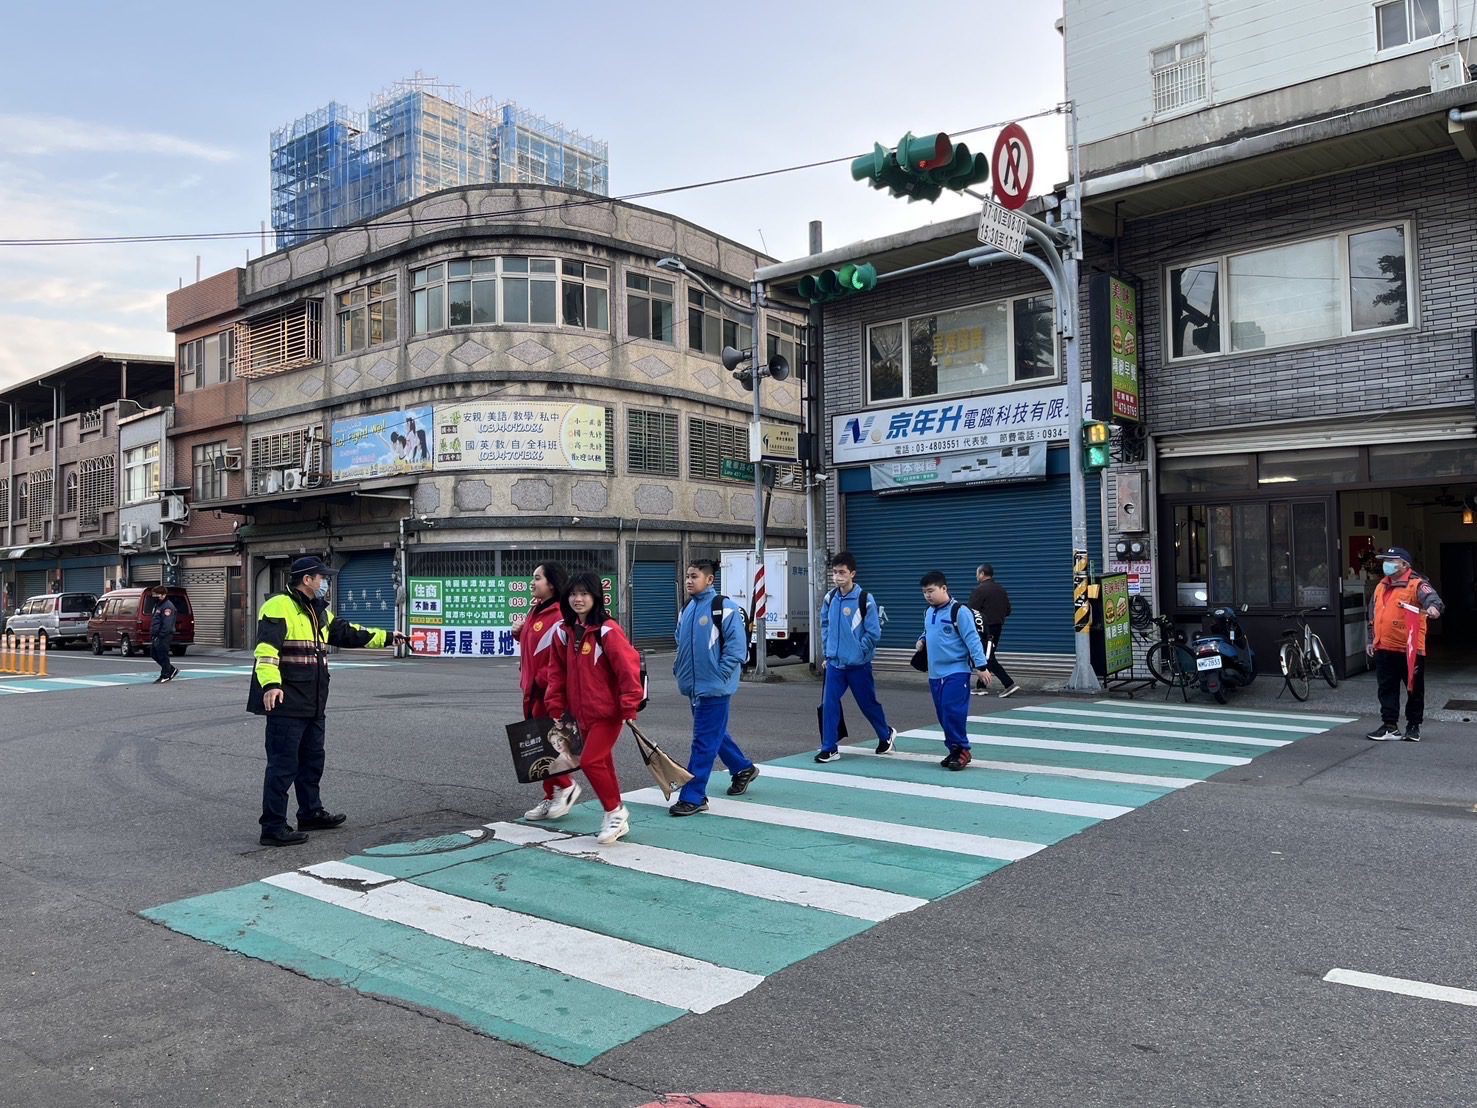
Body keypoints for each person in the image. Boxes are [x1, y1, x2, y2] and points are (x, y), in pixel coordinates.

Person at [247, 555, 406, 847]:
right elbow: (266, 651)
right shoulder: (278, 606)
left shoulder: (317, 610)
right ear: (307, 580)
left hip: (314, 702)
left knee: (312, 762)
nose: (325, 583)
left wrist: (387, 637)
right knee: (283, 766)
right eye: (322, 578)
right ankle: (272, 827)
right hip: (287, 702)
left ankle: (310, 813)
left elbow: (348, 633)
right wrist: (270, 685)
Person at [543, 572, 644, 845]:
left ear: (596, 597)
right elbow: (556, 673)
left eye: (584, 593)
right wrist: (555, 705)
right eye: (573, 594)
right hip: (579, 715)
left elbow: (628, 668)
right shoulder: (564, 632)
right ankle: (615, 811)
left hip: (608, 713)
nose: (578, 599)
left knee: (590, 761)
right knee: (602, 762)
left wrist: (629, 705)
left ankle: (615, 812)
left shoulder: (607, 630)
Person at [671, 559, 758, 816]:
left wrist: (720, 675)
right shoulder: (687, 608)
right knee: (712, 734)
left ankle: (694, 796)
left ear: (709, 580)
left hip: (714, 687)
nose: (689, 581)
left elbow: (737, 649)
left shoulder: (725, 608)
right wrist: (679, 668)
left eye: (694, 576)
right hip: (694, 686)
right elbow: (680, 642)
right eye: (688, 576)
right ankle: (742, 768)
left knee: (703, 741)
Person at [512, 562, 582, 821]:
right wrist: (519, 633)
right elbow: (534, 645)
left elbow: (562, 654)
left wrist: (545, 682)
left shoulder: (560, 614)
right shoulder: (536, 610)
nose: (532, 582)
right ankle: (550, 794)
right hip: (531, 689)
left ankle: (566, 785)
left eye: (537, 578)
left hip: (547, 690)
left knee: (549, 742)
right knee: (538, 745)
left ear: (551, 583)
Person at [816, 551, 897, 762]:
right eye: (835, 572)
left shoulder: (864, 599)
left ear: (852, 573)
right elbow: (825, 626)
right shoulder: (830, 598)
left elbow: (873, 632)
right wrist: (828, 653)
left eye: (842, 572)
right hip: (835, 664)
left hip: (858, 664)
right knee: (829, 703)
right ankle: (829, 747)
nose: (837, 577)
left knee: (867, 704)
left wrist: (860, 652)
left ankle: (885, 734)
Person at [1365, 546, 1443, 742]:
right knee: (1386, 689)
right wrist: (1370, 640)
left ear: (1404, 565)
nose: (1386, 564)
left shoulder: (1417, 584)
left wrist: (1434, 608)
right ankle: (1389, 726)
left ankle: (1413, 726)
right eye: (1385, 561)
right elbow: (1372, 614)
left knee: (1414, 689)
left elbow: (1433, 600)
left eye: (1391, 561)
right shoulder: (1381, 586)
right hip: (1384, 647)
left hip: (1410, 649)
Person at [916, 570, 991, 771]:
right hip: (935, 673)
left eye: (931, 591)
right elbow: (928, 631)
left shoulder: (959, 611)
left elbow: (972, 639)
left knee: (953, 711)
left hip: (956, 671)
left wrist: (981, 667)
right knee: (943, 714)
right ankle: (954, 749)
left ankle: (962, 750)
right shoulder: (928, 612)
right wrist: (922, 639)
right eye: (924, 592)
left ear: (944, 588)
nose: (928, 595)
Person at [968, 564, 1017, 698]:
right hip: (997, 627)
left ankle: (1009, 684)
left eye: (977, 573)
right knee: (987, 655)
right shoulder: (1001, 590)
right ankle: (981, 686)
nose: (976, 576)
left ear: (982, 574)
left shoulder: (979, 590)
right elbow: (1008, 610)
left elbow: (970, 612)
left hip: (984, 629)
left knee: (987, 657)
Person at [149, 586, 180, 684]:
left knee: (162, 654)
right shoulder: (158, 604)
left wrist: (160, 635)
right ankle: (171, 669)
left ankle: (165, 675)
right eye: (154, 594)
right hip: (157, 635)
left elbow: (167, 624)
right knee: (153, 653)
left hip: (164, 635)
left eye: (156, 594)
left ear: (163, 595)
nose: (154, 596)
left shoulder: (167, 606)